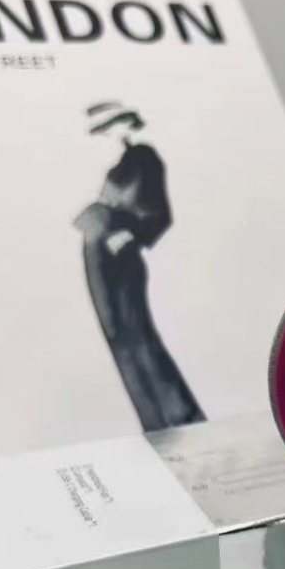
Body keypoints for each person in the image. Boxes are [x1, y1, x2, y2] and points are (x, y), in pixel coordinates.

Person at [75, 101, 205, 431]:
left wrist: (130, 234)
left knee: (136, 332)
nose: (107, 134)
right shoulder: (115, 168)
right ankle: (153, 418)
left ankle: (177, 413)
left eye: (110, 126)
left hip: (120, 255)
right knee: (118, 334)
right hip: (99, 254)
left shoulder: (143, 158)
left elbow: (158, 212)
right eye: (102, 130)